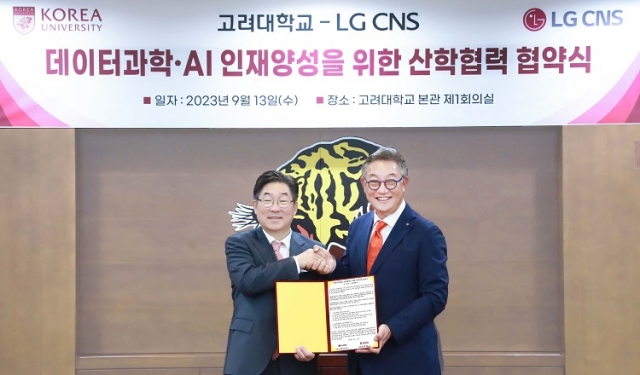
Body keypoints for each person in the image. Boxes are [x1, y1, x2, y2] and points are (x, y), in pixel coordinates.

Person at [319, 146, 449, 375]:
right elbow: (352, 277)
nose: (382, 190)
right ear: (363, 185)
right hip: (361, 359)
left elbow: (435, 296)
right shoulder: (359, 226)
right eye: (373, 182)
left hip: (408, 358)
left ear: (404, 183)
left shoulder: (426, 232)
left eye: (391, 182)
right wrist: (332, 266)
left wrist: (391, 328)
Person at [223, 170, 333, 375]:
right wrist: (297, 263)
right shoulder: (239, 244)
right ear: (255, 206)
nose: (275, 208)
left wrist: (315, 346)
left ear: (295, 207)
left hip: (298, 360)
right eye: (267, 200)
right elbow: (249, 281)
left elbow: (320, 305)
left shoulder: (315, 249)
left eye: (283, 201)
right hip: (249, 358)